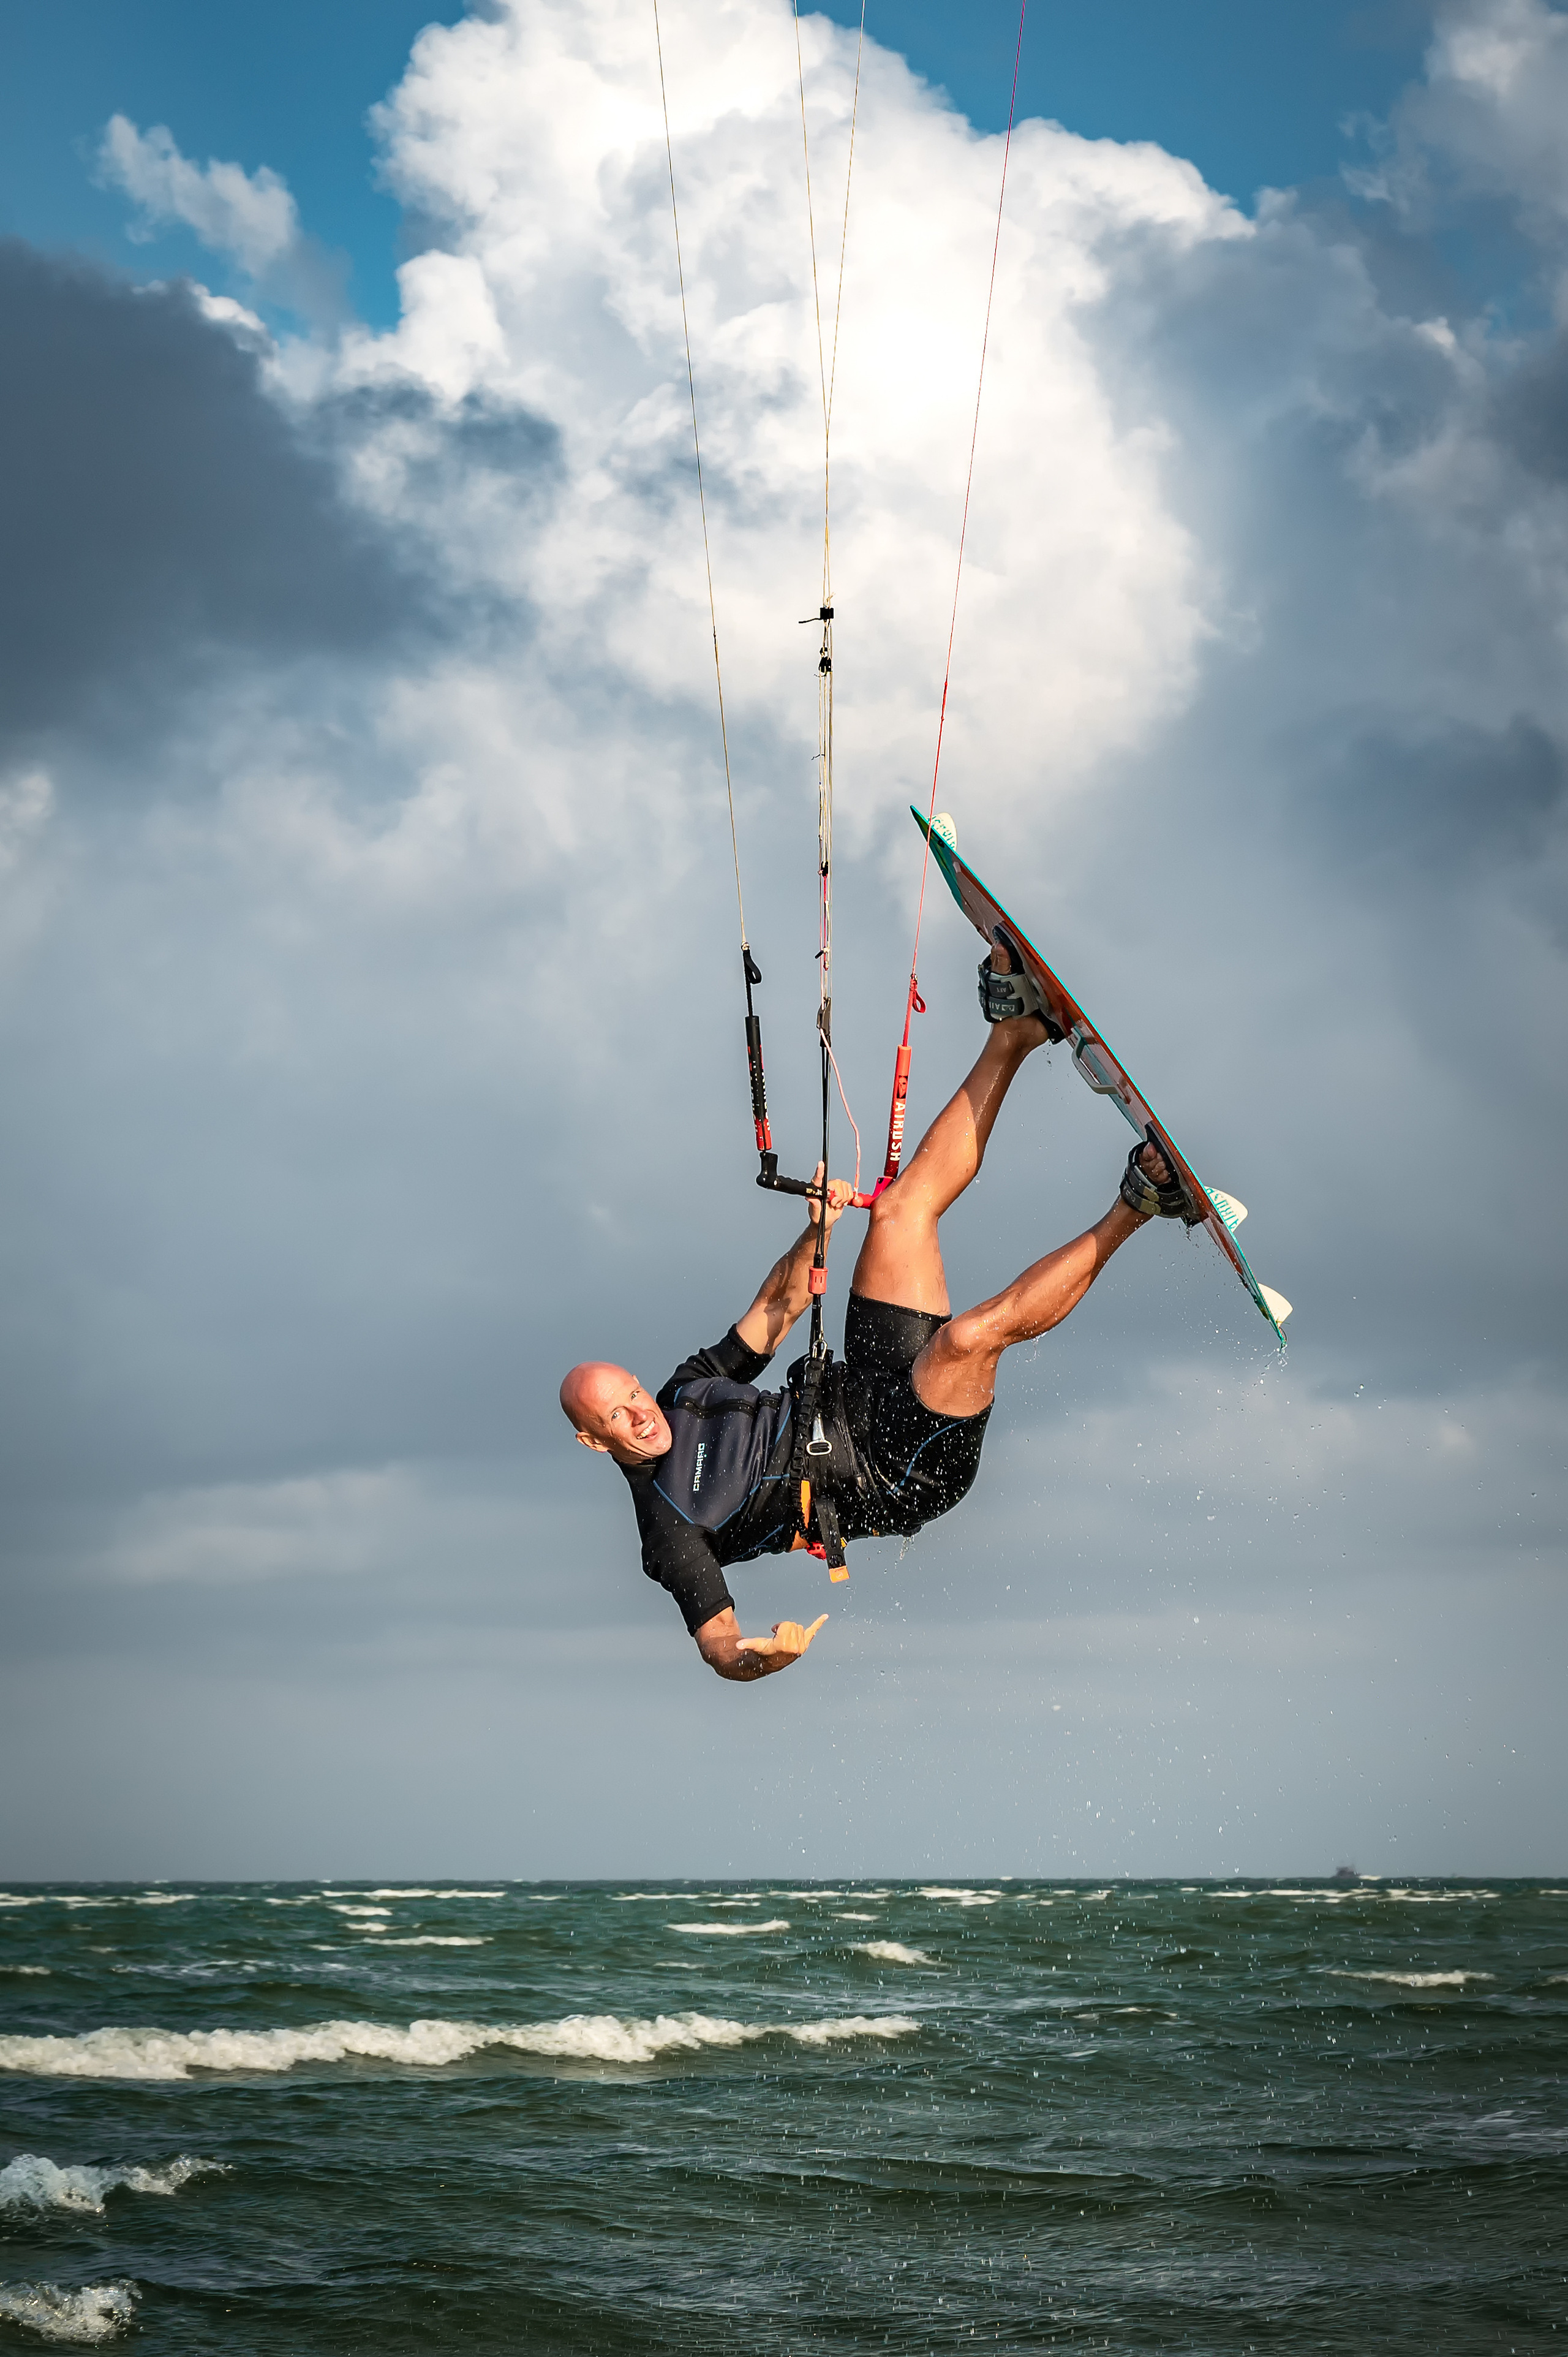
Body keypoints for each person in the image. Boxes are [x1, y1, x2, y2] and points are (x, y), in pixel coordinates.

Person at [559, 939, 1189, 1681]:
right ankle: (1142, 1203)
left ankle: (1015, 1030)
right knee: (967, 1340)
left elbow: (773, 1309)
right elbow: (718, 1639)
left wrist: (818, 1229)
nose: (640, 1411)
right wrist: (758, 1656)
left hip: (862, 1385)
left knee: (899, 1211)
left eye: (630, 1393)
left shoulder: (686, 1389)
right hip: (893, 1472)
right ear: (597, 1443)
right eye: (618, 1418)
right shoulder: (667, 1525)